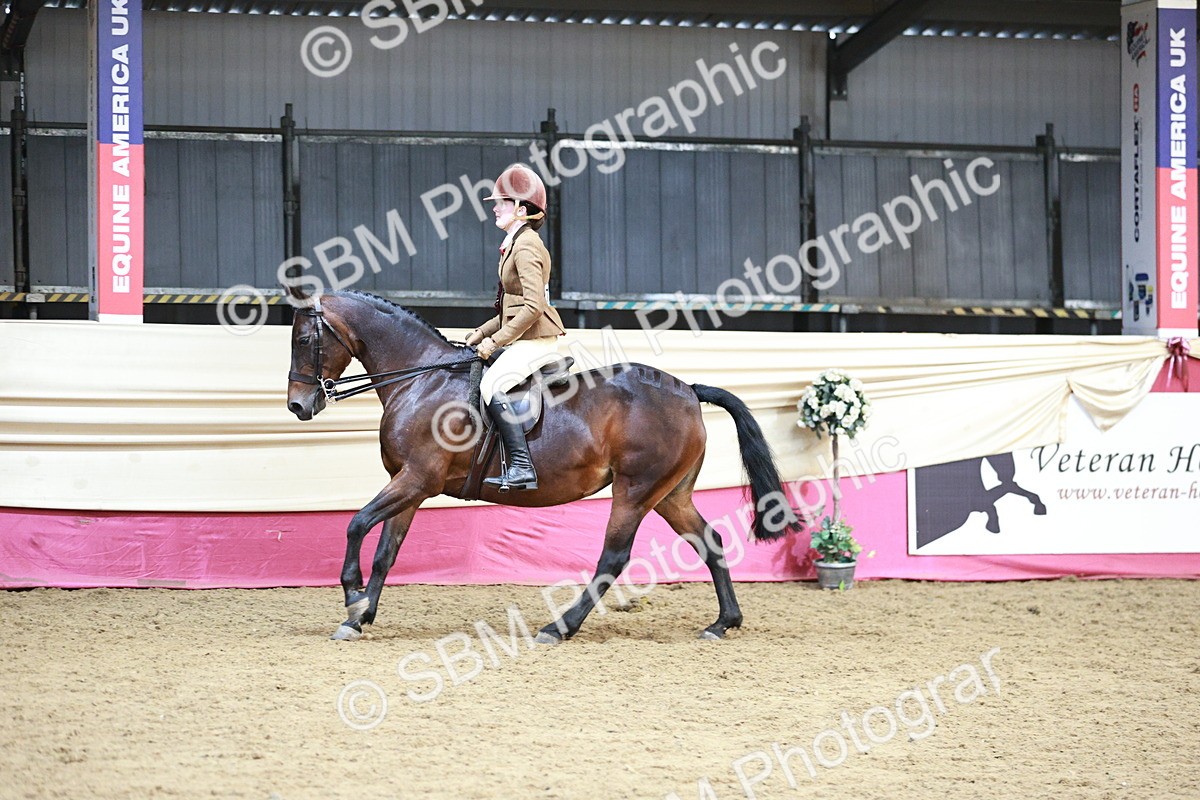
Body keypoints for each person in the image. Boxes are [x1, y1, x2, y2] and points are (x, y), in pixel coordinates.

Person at [465, 163, 566, 492]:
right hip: (525, 334)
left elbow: (534, 307)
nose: (495, 207)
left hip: (538, 339)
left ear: (522, 210)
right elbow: (513, 306)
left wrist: (494, 342)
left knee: (492, 385)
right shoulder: (516, 242)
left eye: (502, 202)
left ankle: (522, 467)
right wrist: (481, 332)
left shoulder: (525, 246)